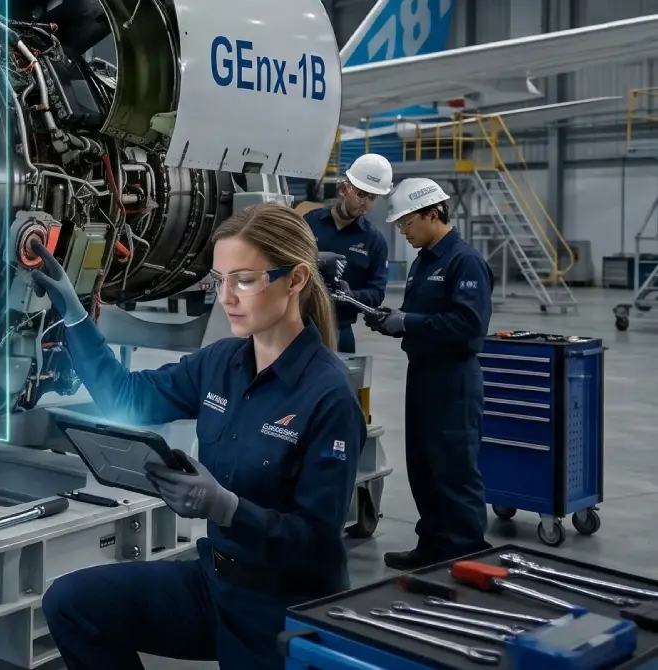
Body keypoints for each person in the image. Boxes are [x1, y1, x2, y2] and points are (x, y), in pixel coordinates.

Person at [37, 203, 364, 670]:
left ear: (296, 279)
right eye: (219, 280)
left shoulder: (327, 394)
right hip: (214, 584)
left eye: (244, 280)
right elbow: (126, 398)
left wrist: (229, 509)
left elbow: (316, 543)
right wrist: (73, 314)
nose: (226, 297)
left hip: (282, 607)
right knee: (72, 602)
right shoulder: (220, 363)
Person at [365, 177, 493, 569]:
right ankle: (434, 546)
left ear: (432, 214)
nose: (403, 231)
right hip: (421, 374)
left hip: (453, 379)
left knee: (453, 467)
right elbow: (422, 318)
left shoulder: (464, 261)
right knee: (424, 464)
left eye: (406, 223)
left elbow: (468, 325)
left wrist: (410, 323)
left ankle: (466, 551)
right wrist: (391, 320)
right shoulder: (425, 260)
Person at [304, 154, 394, 353]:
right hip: (301, 324)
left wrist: (350, 295)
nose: (365, 203)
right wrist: (315, 260)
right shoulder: (309, 223)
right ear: (345, 189)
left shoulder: (374, 241)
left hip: (340, 330)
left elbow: (376, 292)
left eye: (372, 198)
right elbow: (283, 262)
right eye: (361, 194)